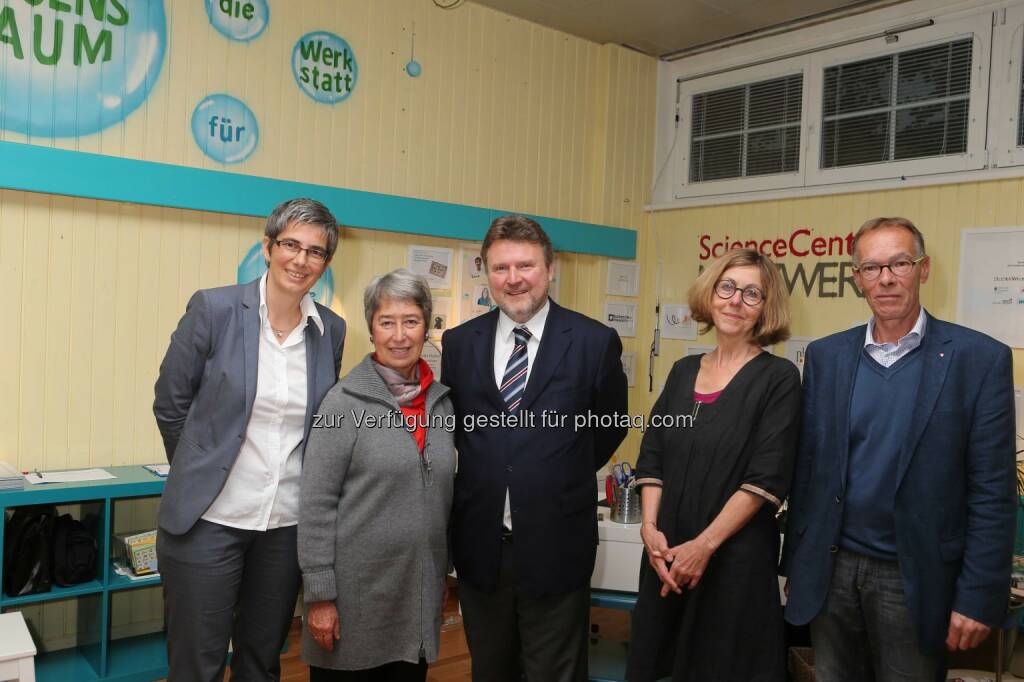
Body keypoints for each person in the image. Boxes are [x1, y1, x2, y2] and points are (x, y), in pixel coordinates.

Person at [781, 217, 1017, 681]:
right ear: (857, 278)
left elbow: (992, 491)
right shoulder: (827, 357)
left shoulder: (979, 360)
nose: (885, 278)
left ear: (923, 270)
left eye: (900, 263)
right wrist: (798, 565)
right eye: (871, 267)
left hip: (916, 577)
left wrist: (978, 596)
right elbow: (809, 471)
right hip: (834, 573)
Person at [153, 198, 347, 681]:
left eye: (316, 252)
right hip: (209, 521)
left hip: (284, 527)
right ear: (267, 246)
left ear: (325, 263)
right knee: (197, 664)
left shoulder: (331, 331)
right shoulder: (214, 309)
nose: (301, 260)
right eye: (290, 245)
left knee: (262, 662)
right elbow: (170, 403)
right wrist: (200, 473)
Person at [441, 215, 629, 682]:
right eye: (501, 268)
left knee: (554, 673)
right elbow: (461, 430)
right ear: (486, 273)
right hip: (481, 545)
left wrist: (551, 477)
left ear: (550, 267)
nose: (513, 279)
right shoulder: (459, 343)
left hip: (557, 542)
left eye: (525, 265)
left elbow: (609, 428)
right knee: (491, 670)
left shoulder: (593, 342)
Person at [626, 248, 801, 681]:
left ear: (767, 307)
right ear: (711, 293)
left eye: (751, 293)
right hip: (664, 555)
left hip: (733, 564)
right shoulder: (684, 371)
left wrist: (702, 547)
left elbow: (766, 478)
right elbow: (653, 454)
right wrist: (650, 529)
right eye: (727, 287)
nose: (735, 301)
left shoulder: (778, 379)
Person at [298, 268, 455, 681]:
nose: (399, 335)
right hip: (353, 601)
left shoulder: (442, 405)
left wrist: (439, 578)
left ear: (427, 327)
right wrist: (319, 598)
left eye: (411, 321)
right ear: (371, 329)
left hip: (414, 597)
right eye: (387, 322)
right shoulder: (341, 404)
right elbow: (315, 503)